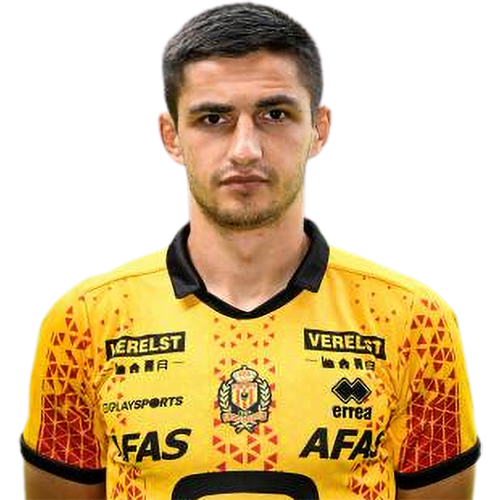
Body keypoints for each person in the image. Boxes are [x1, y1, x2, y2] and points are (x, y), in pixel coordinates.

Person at [20, 3, 481, 500]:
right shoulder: (87, 321)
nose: (245, 149)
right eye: (213, 118)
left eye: (275, 115)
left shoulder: (411, 321)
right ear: (171, 136)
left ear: (319, 129)